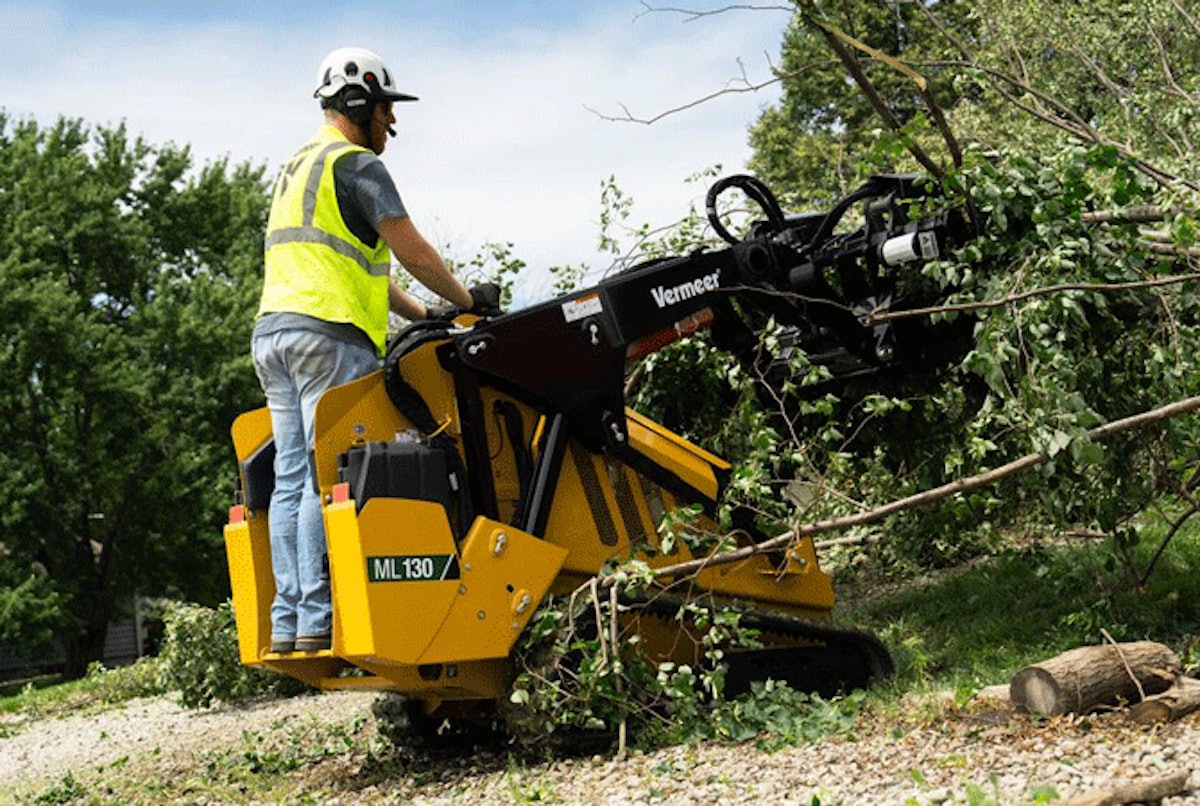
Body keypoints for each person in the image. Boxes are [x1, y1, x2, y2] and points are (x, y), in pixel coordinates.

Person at [252, 47, 498, 654]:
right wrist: (467, 298)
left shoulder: (298, 168)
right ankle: (320, 619)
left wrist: (425, 314)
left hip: (275, 337)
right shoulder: (356, 164)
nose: (393, 123)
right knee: (323, 476)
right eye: (387, 109)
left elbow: (363, 267)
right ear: (361, 102)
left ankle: (290, 623)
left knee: (290, 480)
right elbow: (410, 250)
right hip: (329, 337)